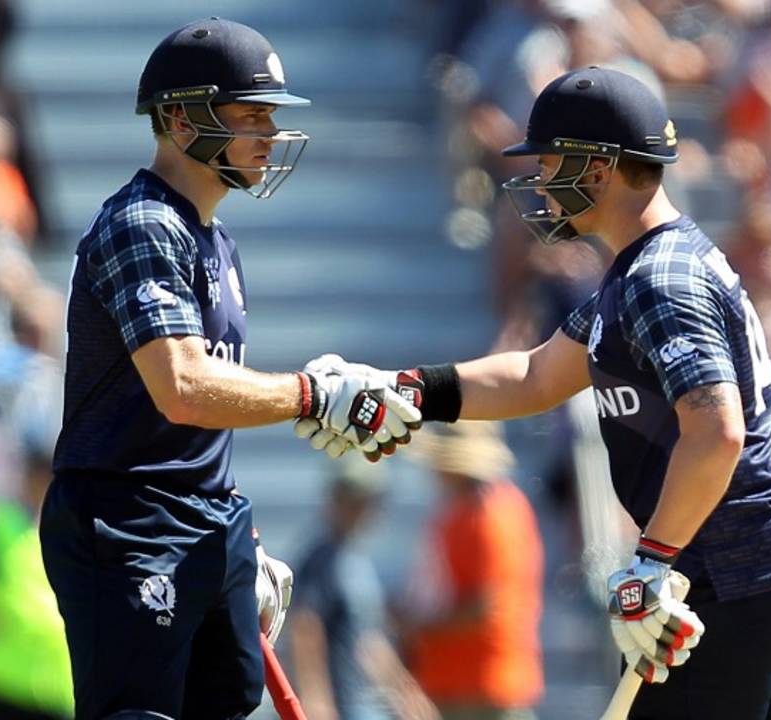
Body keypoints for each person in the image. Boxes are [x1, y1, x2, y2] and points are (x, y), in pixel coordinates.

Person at [298, 66, 771, 718]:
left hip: (733, 567)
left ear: (599, 169)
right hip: (770, 553)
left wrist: (652, 563)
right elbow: (537, 375)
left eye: (551, 161)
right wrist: (404, 390)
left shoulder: (656, 279)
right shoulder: (641, 267)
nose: (539, 183)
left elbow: (716, 430)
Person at [39, 17, 421, 720]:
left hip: (204, 518)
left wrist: (238, 529)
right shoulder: (143, 223)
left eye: (271, 117)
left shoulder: (215, 239)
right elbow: (183, 388)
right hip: (129, 522)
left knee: (229, 701)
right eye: (250, 116)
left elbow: (196, 422)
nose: (269, 134)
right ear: (181, 121)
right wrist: (314, 397)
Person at [401, 421, 543, 720]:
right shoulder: (468, 510)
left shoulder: (489, 514)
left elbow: (484, 607)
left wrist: (418, 624)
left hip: (482, 685)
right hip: (461, 682)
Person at [289, 459, 437, 720]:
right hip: (339, 702)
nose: (365, 509)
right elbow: (305, 627)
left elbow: (367, 638)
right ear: (336, 499)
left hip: (363, 703)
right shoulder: (320, 559)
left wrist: (405, 691)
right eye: (355, 499)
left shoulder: (355, 558)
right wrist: (315, 698)